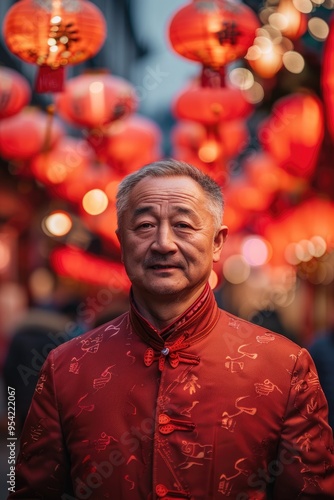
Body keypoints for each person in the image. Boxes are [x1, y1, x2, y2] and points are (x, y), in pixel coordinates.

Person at [9, 159, 334, 499]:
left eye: (183, 225)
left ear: (218, 242)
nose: (163, 243)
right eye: (145, 225)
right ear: (122, 240)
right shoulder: (67, 368)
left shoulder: (283, 366)